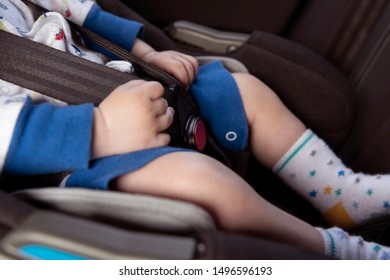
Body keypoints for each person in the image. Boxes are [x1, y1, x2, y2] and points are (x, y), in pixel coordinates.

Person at [1, 0, 390, 260]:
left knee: (245, 91)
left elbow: (87, 17)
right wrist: (103, 129)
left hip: (133, 88)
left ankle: (338, 191)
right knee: (203, 183)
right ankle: (338, 251)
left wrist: (149, 55)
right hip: (73, 160)